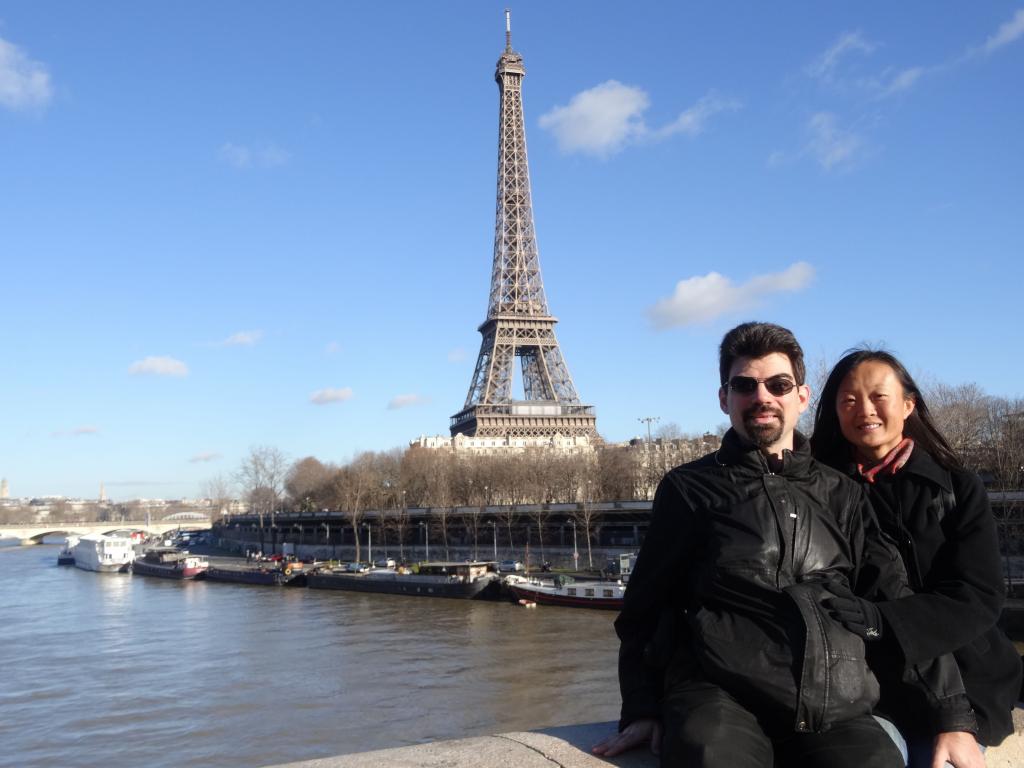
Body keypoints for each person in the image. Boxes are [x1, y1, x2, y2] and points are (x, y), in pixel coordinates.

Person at [592, 322, 978, 768]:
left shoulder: (844, 493)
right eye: (744, 385)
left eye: (778, 384)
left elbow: (893, 601)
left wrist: (952, 715)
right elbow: (646, 609)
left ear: (802, 396)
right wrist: (640, 708)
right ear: (724, 399)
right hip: (720, 697)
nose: (762, 397)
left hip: (835, 700)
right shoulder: (688, 488)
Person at [811, 349, 1021, 767]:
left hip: (965, 677)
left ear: (908, 405)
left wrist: (883, 623)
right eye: (848, 400)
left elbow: (978, 595)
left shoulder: (957, 488)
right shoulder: (821, 493)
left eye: (878, 396)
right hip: (868, 685)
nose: (864, 410)